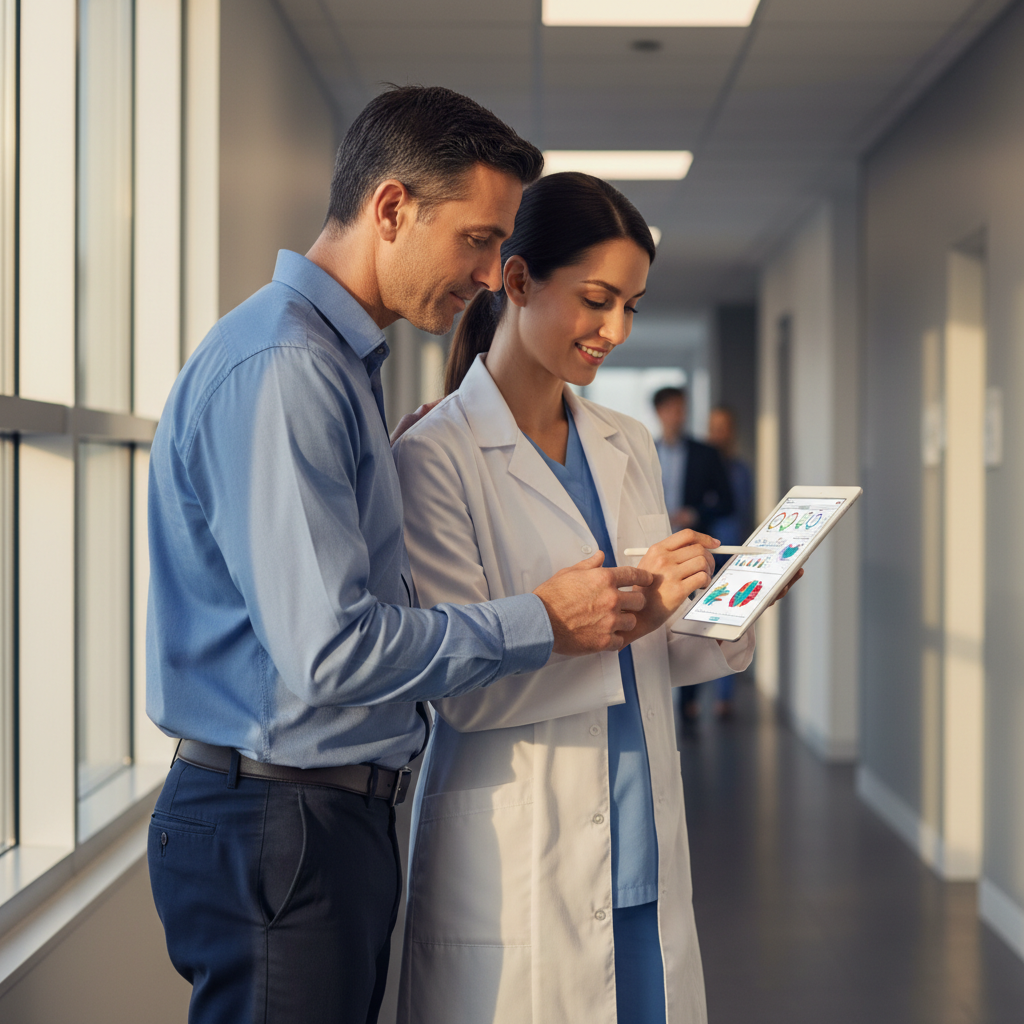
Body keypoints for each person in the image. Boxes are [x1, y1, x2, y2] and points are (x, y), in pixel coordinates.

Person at [145, 87, 658, 1024]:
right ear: (391, 209)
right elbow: (331, 651)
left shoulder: (331, 367)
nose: (489, 269)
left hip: (315, 818)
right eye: (476, 239)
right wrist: (541, 618)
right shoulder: (287, 369)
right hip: (280, 821)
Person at [392, 172, 757, 1024]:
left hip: (642, 843)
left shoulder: (625, 443)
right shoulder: (436, 456)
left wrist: (732, 600)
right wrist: (628, 614)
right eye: (598, 300)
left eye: (632, 305)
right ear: (517, 282)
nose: (617, 330)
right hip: (524, 853)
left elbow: (658, 650)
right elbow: (458, 689)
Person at [652, 387, 735, 734]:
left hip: (692, 547)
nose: (678, 415)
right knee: (659, 619)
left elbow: (727, 502)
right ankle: (655, 698)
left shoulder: (705, 454)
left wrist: (695, 513)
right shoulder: (645, 452)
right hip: (655, 547)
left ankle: (687, 704)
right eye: (672, 409)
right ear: (659, 412)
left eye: (682, 409)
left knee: (693, 621)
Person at [707, 405, 755, 719]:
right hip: (704, 554)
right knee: (697, 623)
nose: (717, 433)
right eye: (713, 426)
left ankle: (724, 696)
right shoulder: (701, 467)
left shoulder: (741, 472)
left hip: (732, 554)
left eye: (723, 426)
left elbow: (743, 512)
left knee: (729, 622)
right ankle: (693, 696)